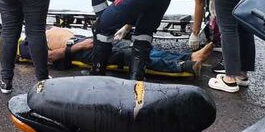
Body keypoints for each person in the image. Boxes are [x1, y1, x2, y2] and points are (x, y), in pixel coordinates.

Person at [88, 0, 173, 80]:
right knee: (144, 33)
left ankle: (97, 73)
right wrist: (128, 25)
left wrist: (112, 26)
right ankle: (136, 79)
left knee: (100, 28)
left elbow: (102, 17)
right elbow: (139, 0)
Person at [20, 27, 214, 76]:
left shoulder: (42, 29)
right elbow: (49, 57)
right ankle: (184, 66)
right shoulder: (26, 45)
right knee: (130, 56)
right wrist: (80, 46)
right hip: (82, 51)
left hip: (86, 41)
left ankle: (189, 56)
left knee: (138, 48)